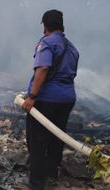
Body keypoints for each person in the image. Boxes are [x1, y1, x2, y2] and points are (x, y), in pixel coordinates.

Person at [22, 9, 79, 190]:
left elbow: (43, 69)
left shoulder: (46, 42)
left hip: (46, 99)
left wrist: (32, 96)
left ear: (45, 26)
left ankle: (36, 182)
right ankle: (52, 171)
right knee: (57, 135)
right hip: (67, 99)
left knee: (36, 140)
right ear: (61, 26)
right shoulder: (71, 47)